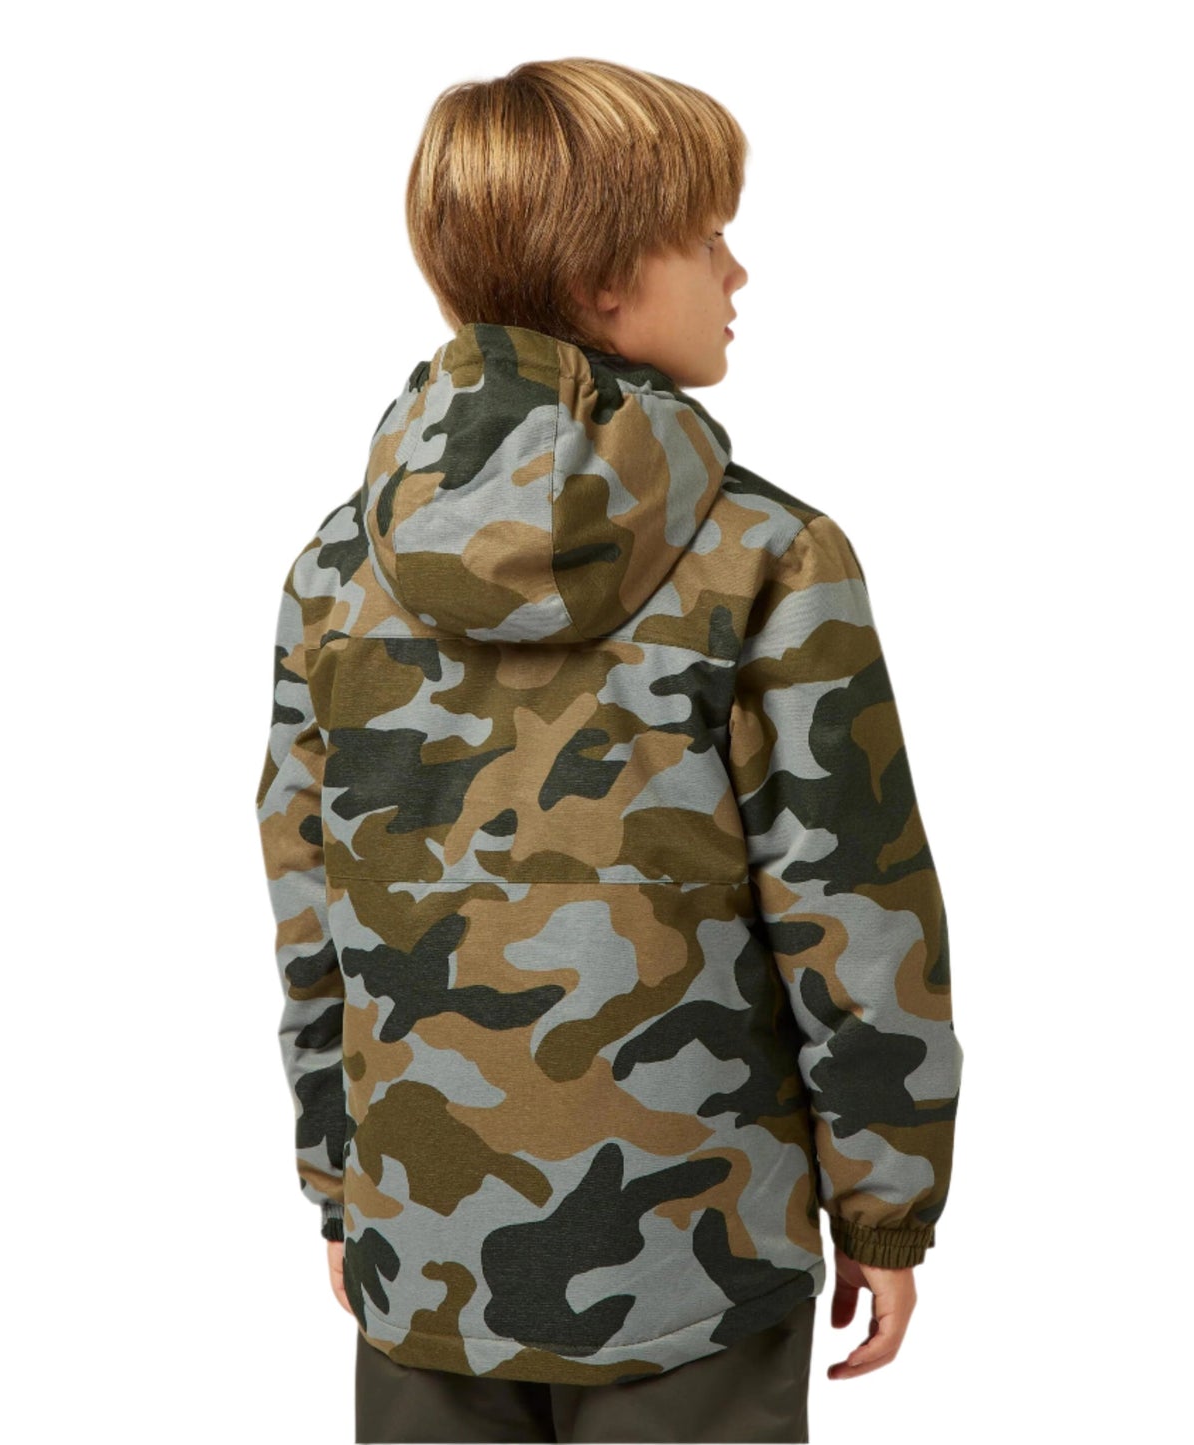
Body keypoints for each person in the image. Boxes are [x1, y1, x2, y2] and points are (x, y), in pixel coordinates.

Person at [254, 57, 963, 1445]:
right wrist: (887, 1202)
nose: (738, 273)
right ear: (603, 283)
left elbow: (311, 904)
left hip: (426, 1247)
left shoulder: (336, 568)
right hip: (701, 1260)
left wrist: (341, 1181)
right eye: (707, 237)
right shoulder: (771, 555)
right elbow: (852, 901)